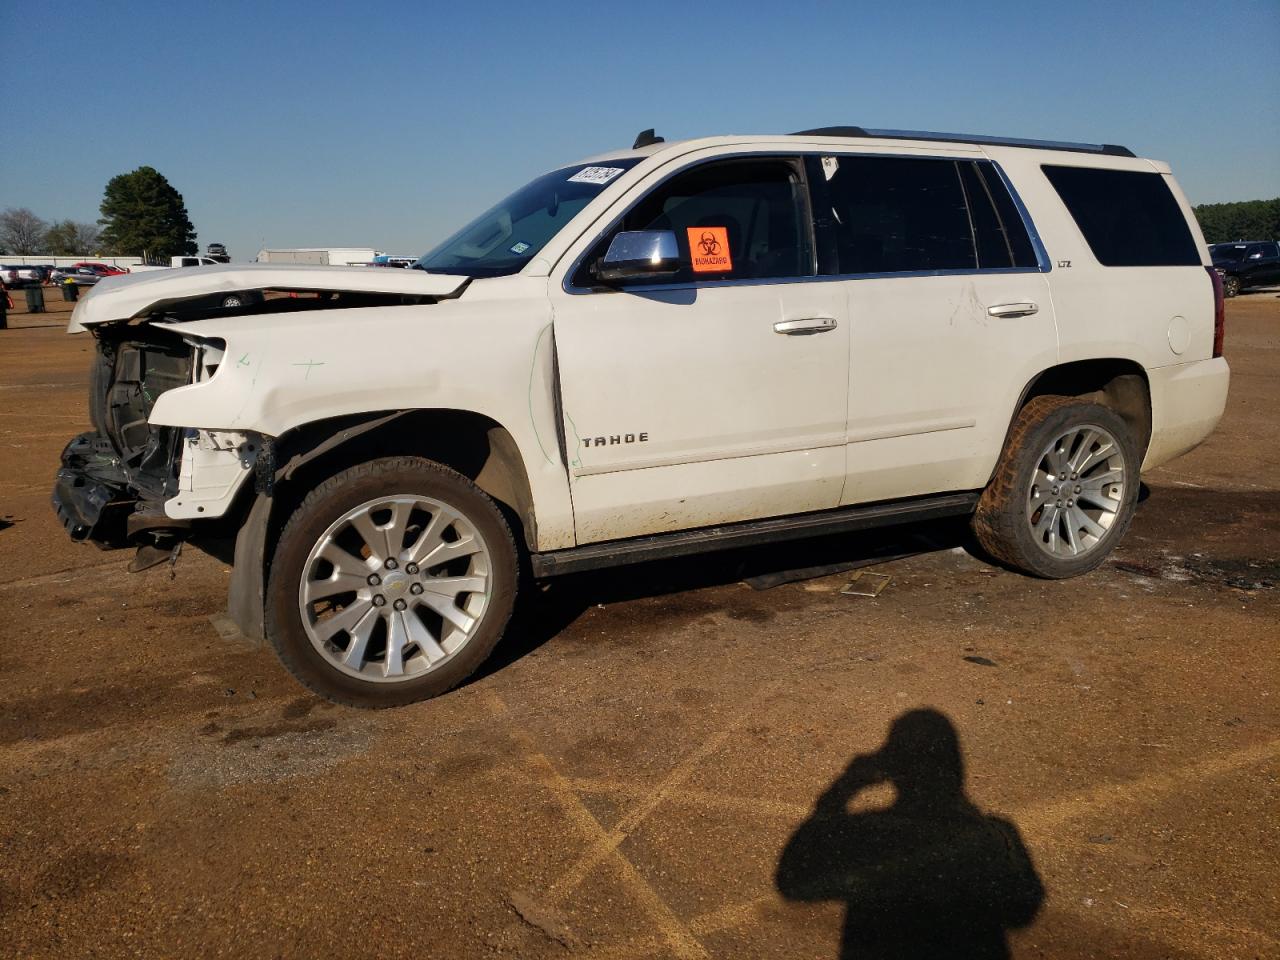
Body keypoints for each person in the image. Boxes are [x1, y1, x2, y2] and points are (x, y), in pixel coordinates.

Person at [776, 709, 1043, 959]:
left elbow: (792, 879)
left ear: (892, 769)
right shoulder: (993, 836)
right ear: (956, 768)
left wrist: (843, 788)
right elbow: (1022, 909)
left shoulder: (871, 834)